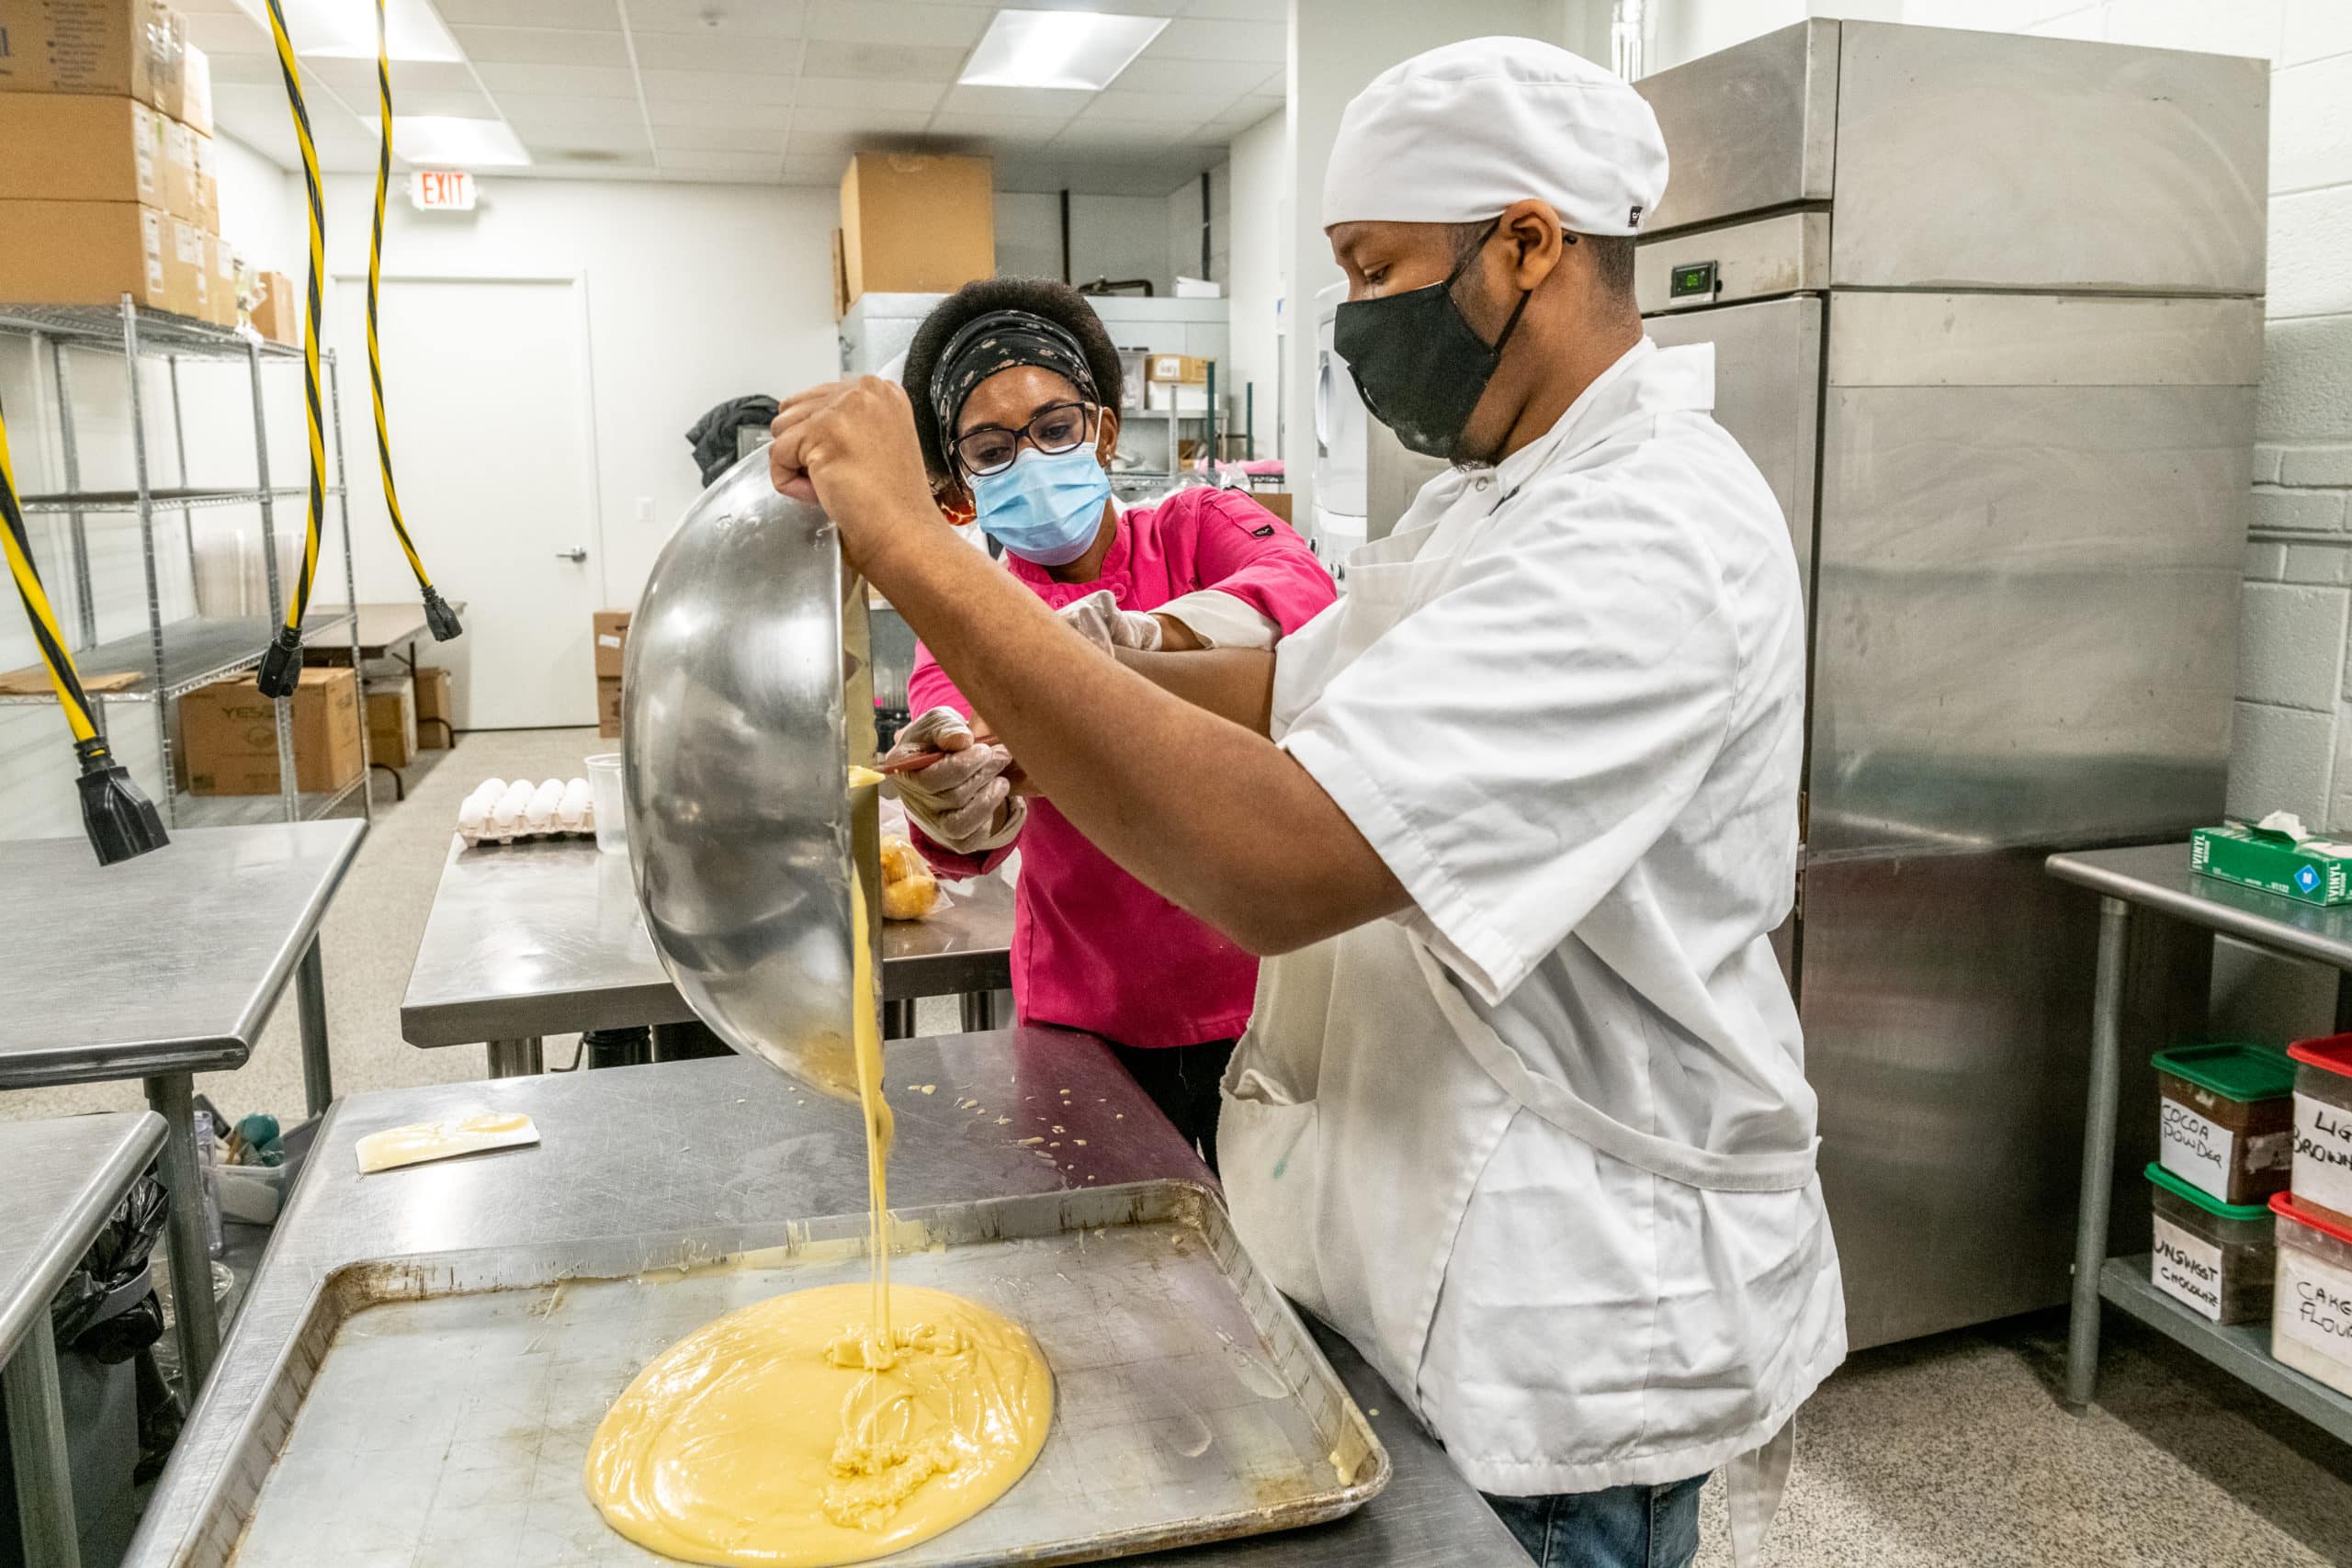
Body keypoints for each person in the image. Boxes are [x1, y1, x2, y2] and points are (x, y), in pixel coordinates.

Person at [769, 39, 1842, 1568]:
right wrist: (1081, 656)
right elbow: (1285, 685)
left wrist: (915, 551)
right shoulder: (1494, 501)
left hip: (1560, 1310)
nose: (1351, 321)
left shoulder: (1648, 532)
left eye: (1372, 268)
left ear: (1529, 243)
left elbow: (1278, 861)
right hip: (1406, 1247)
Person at [880, 278, 1335, 1169]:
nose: (1035, 460)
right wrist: (950, 795)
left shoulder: (1195, 528)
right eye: (991, 447)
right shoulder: (974, 622)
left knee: (1268, 1265)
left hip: (1260, 1004)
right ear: (960, 493)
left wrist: (1139, 643)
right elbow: (961, 814)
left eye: (1055, 428)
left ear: (1103, 432)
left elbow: (1306, 599)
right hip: (1088, 1021)